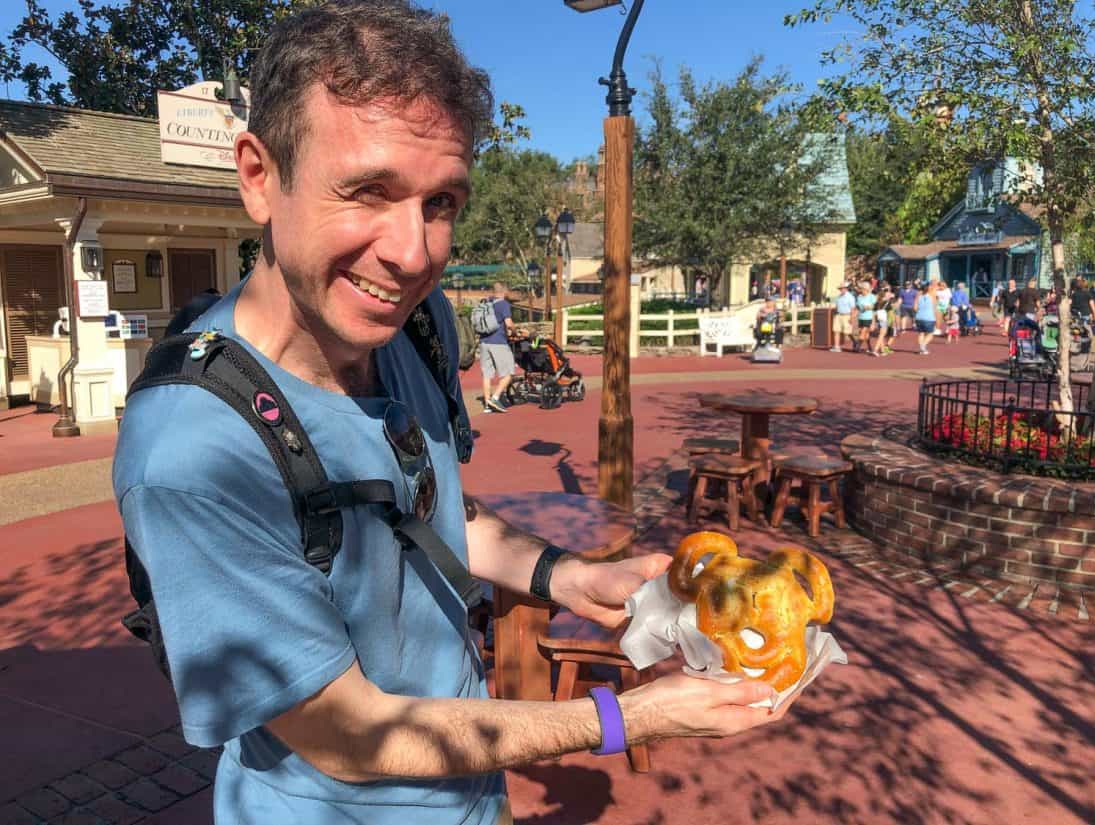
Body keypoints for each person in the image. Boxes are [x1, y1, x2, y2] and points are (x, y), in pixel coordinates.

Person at [112, 4, 793, 824]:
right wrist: (633, 716)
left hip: (474, 800)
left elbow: (433, 506)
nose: (413, 252)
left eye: (441, 203)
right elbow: (351, 733)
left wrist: (572, 576)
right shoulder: (191, 449)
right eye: (368, 190)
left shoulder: (409, 330)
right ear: (260, 175)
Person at [478, 281, 517, 413]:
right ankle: (495, 397)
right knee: (509, 373)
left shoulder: (486, 302)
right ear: (504, 292)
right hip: (498, 342)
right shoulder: (503, 304)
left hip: (484, 342)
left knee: (487, 374)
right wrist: (515, 330)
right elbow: (508, 323)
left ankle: (487, 405)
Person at [830, 282, 856, 352]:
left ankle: (855, 342)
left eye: (842, 288)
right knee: (836, 330)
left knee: (847, 332)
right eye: (840, 288)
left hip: (847, 315)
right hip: (838, 315)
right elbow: (836, 306)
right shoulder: (839, 297)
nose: (841, 290)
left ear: (846, 289)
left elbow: (853, 308)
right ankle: (837, 347)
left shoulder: (850, 297)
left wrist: (852, 318)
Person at [915, 281, 938, 355]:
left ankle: (922, 349)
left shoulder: (918, 295)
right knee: (930, 334)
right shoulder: (932, 295)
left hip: (919, 317)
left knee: (921, 333)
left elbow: (915, 307)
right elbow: (934, 308)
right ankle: (923, 346)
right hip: (929, 317)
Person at [854, 280, 876, 353]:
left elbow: (874, 308)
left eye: (862, 289)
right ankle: (869, 346)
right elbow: (857, 308)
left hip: (868, 317)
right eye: (861, 289)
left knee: (863, 332)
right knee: (864, 333)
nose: (861, 290)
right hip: (861, 317)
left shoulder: (872, 297)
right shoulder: (859, 297)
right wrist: (853, 316)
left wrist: (873, 321)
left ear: (866, 289)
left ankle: (857, 346)